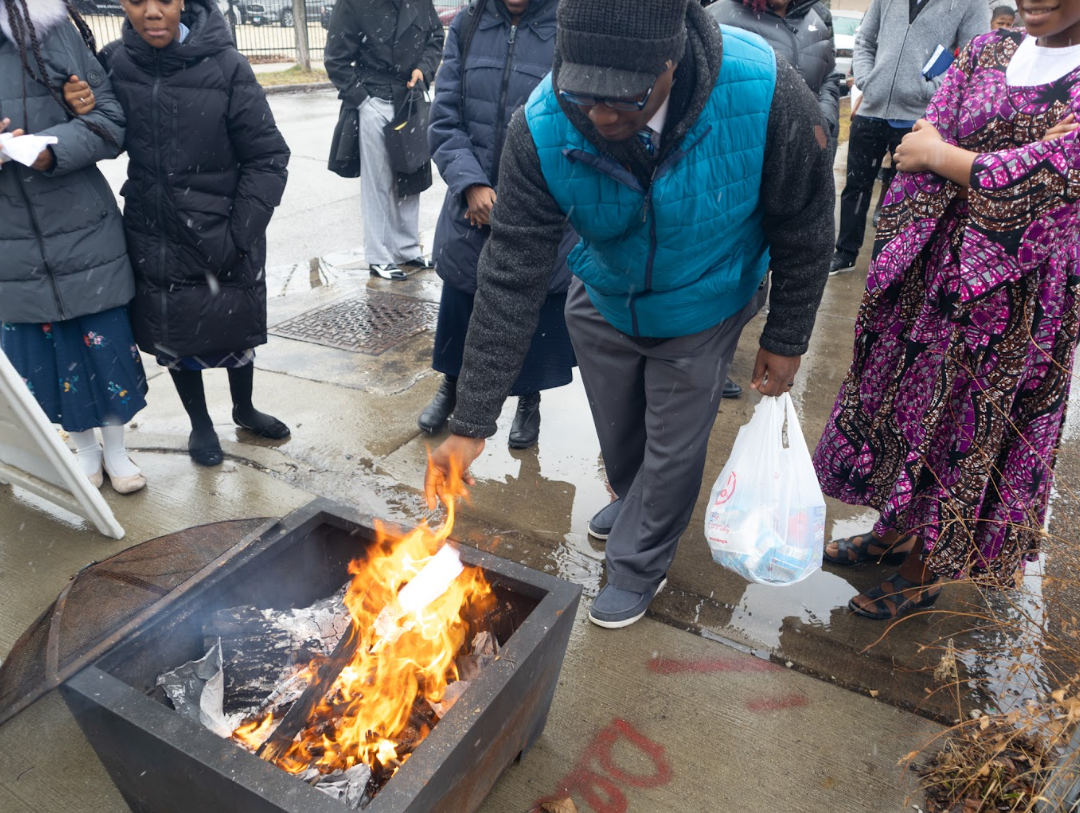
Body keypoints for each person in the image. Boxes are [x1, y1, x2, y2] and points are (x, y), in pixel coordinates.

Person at [425, 0, 834, 629]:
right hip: (607, 292)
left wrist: (787, 333)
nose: (601, 114)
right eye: (586, 94)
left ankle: (639, 563)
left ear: (671, 59)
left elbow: (805, 217)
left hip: (705, 294)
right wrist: (472, 420)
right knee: (620, 434)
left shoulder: (766, 87)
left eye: (625, 97)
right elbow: (510, 276)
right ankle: (636, 497)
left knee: (672, 446)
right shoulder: (539, 125)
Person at [814, 2, 1080, 620]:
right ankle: (895, 529)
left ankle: (926, 565)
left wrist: (950, 156)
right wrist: (980, 163)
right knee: (913, 403)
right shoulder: (989, 49)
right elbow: (919, 141)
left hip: (1015, 297)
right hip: (933, 270)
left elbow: (1056, 185)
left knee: (970, 423)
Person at [67, 0, 290, 467]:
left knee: (233, 328)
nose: (152, 12)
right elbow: (105, 135)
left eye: (165, 0)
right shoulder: (115, 62)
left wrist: (239, 234)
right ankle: (201, 424)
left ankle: (243, 409)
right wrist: (82, 108)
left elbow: (267, 156)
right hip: (155, 228)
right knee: (177, 334)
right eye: (137, 1)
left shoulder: (227, 66)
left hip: (224, 224)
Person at [1, 0, 148, 494]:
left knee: (103, 348)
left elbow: (109, 120)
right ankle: (83, 449)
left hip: (82, 228)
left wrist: (50, 149)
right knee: (48, 356)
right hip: (10, 246)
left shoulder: (53, 30)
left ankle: (118, 450)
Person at [422, 0, 577, 448]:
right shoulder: (468, 25)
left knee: (531, 304)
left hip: (540, 202)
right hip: (471, 205)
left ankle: (529, 399)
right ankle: (452, 385)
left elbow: (573, 123)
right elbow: (445, 117)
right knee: (463, 299)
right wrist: (470, 185)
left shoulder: (565, 28)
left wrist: (524, 198)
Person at [706, 0, 843, 399]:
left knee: (772, 269)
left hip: (798, 164)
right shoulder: (720, 16)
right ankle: (713, 360)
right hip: (742, 170)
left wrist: (821, 122)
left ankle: (721, 352)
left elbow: (829, 77)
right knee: (731, 272)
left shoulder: (817, 17)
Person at [829, 0, 988, 277]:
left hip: (920, 117)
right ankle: (845, 252)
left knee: (908, 196)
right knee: (856, 185)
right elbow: (865, 39)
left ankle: (894, 263)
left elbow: (975, 55)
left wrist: (934, 90)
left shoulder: (969, 3)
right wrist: (868, 78)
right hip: (872, 109)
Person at [325, 0, 444, 281]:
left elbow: (435, 38)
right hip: (373, 99)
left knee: (411, 174)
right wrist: (362, 100)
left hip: (409, 98)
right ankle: (379, 256)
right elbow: (335, 59)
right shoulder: (354, 4)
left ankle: (406, 249)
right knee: (377, 183)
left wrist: (424, 69)